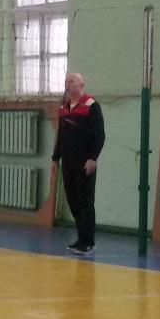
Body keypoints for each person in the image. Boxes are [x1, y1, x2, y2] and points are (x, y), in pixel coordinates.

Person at [52, 71, 105, 255]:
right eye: (67, 81)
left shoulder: (91, 105)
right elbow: (61, 136)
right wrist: (55, 158)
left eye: (72, 81)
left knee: (85, 201)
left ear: (81, 84)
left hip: (84, 162)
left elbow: (99, 135)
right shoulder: (64, 108)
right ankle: (81, 237)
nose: (68, 84)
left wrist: (93, 158)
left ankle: (88, 241)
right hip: (68, 161)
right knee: (73, 199)